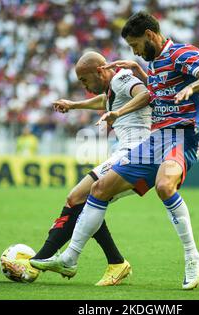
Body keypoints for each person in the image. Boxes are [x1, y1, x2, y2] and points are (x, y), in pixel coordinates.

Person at [35, 11, 199, 290]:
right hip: (155, 140)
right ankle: (70, 258)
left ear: (150, 35)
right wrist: (139, 70)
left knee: (164, 186)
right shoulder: (154, 63)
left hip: (180, 138)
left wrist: (191, 88)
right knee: (99, 190)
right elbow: (155, 94)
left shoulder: (182, 53)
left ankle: (192, 256)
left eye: (135, 45)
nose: (134, 51)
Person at [23, 51, 152, 286]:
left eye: (84, 80)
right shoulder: (113, 89)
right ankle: (116, 262)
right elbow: (106, 101)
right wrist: (74, 105)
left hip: (136, 154)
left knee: (77, 197)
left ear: (100, 71)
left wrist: (118, 113)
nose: (84, 86)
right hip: (133, 156)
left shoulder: (121, 78)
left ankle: (41, 259)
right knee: (89, 200)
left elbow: (145, 93)